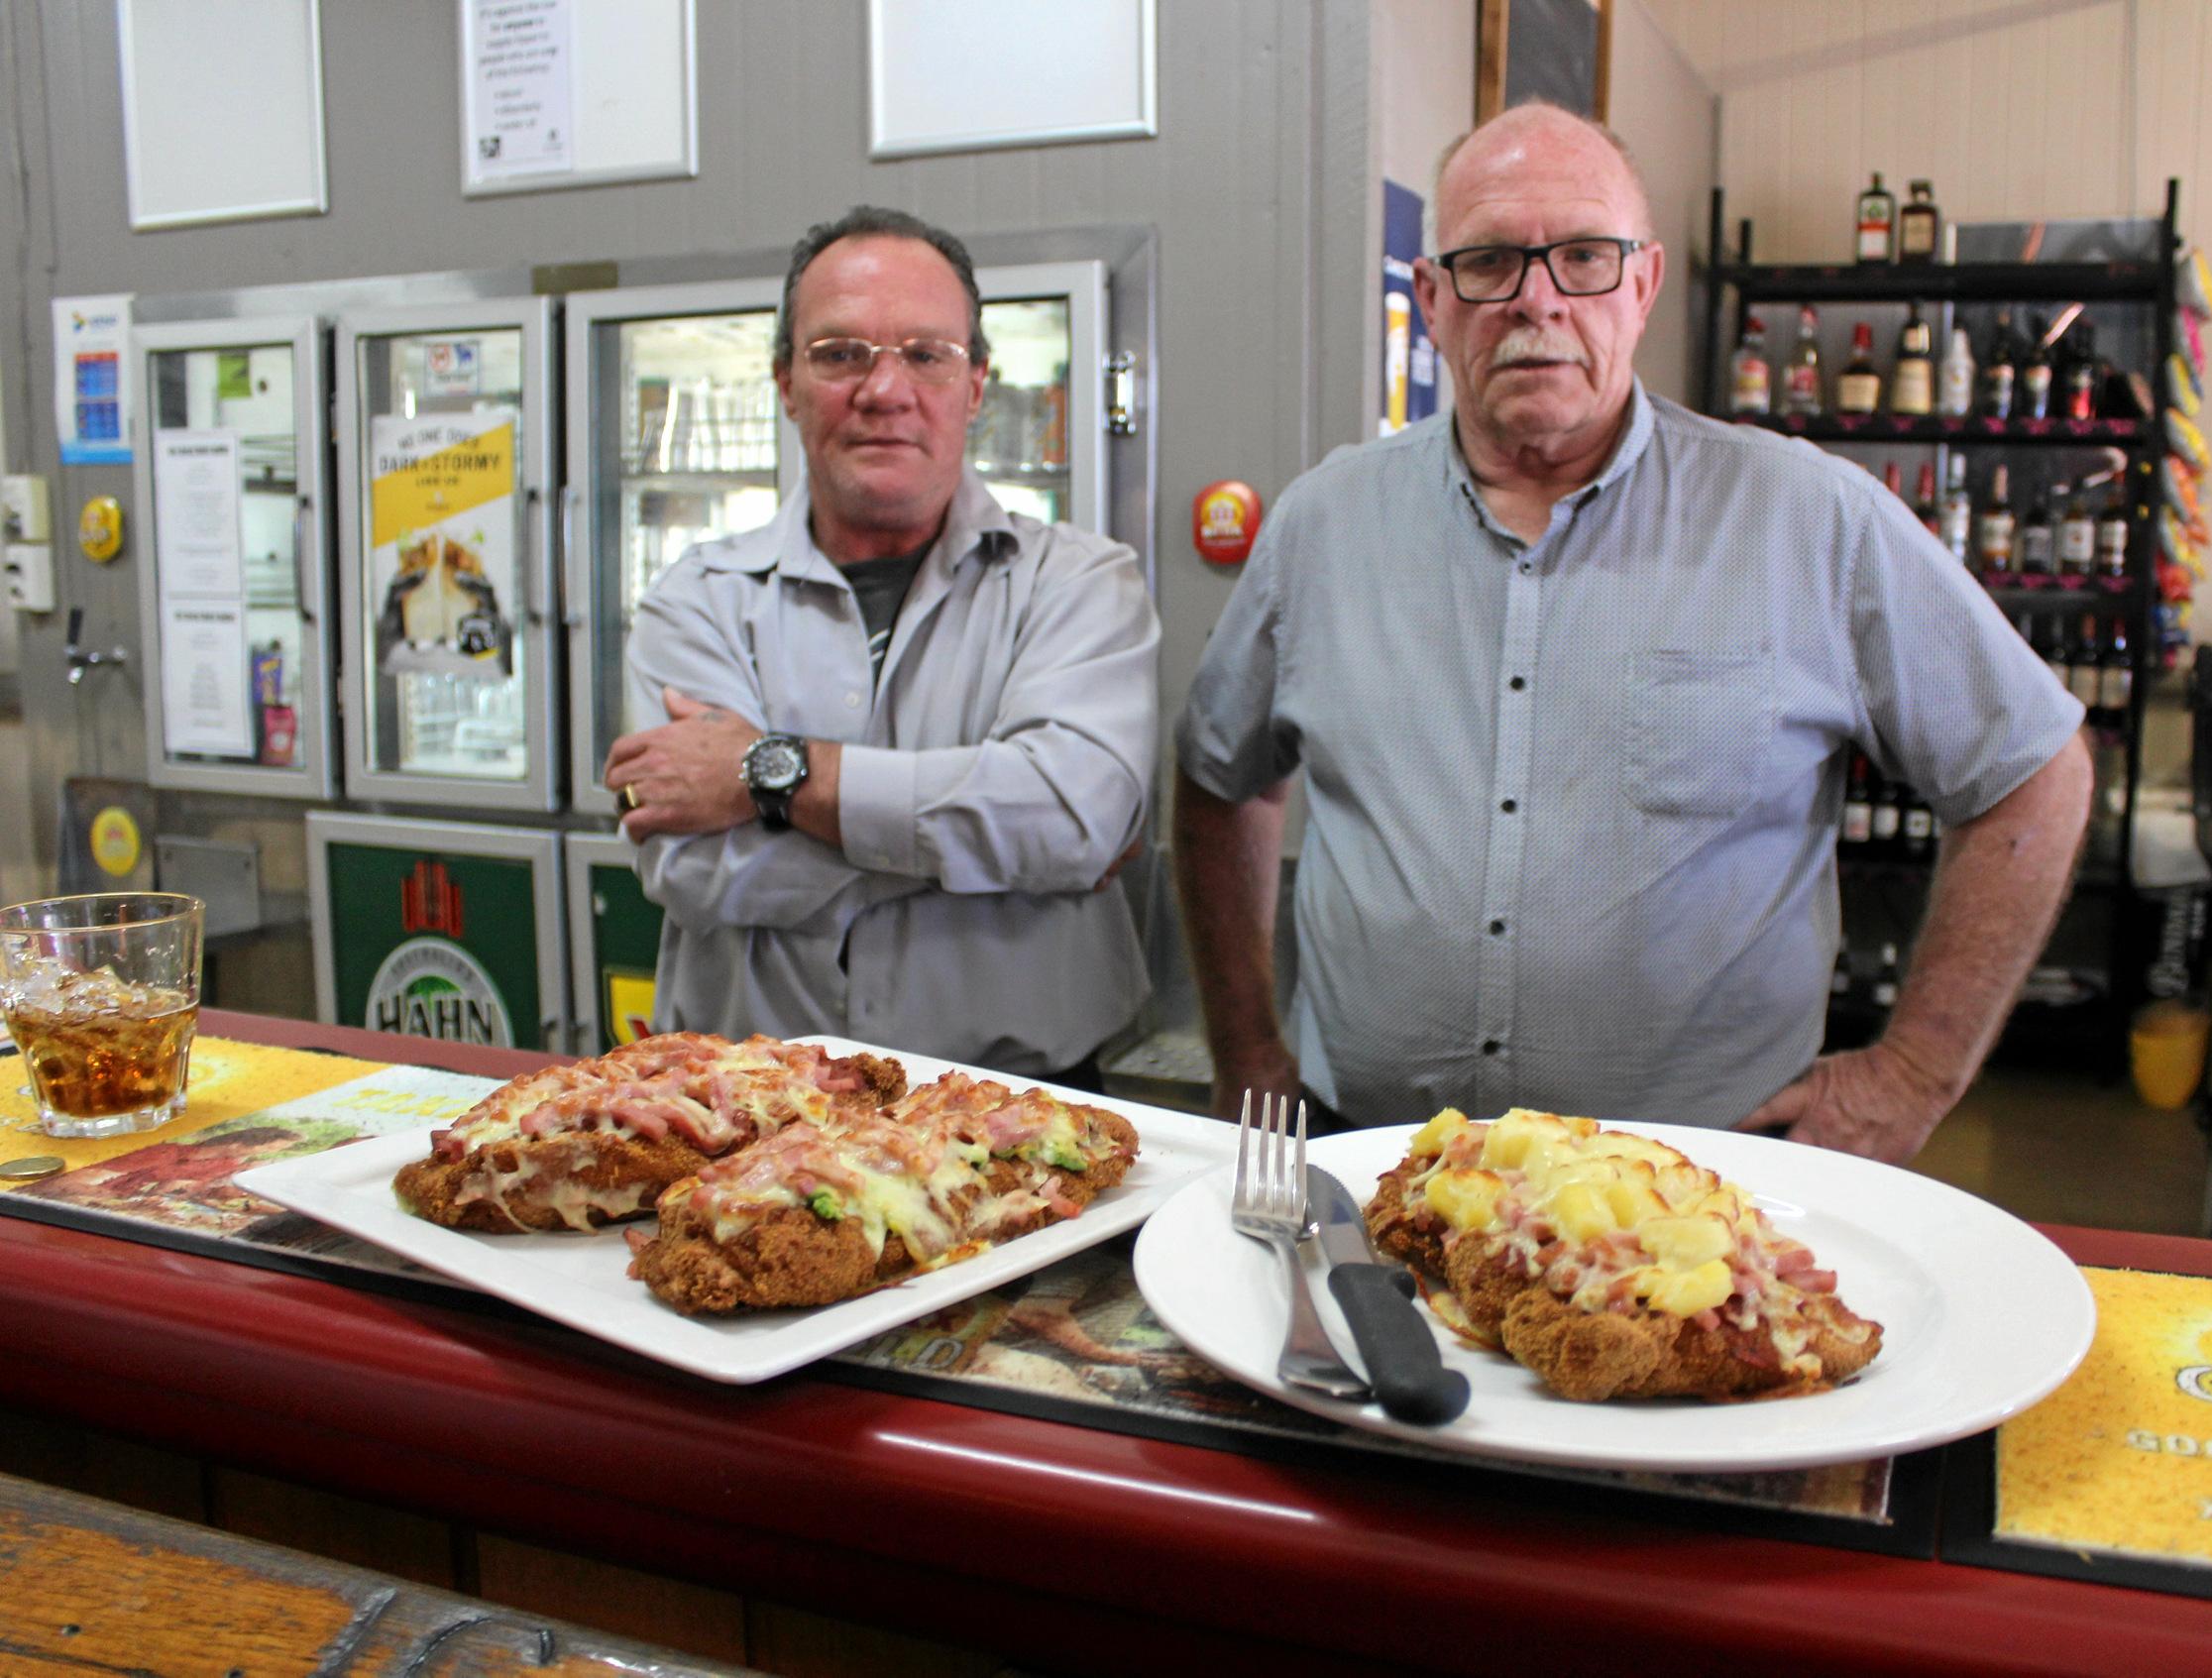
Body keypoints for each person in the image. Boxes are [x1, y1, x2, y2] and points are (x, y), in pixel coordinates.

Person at [1171, 105, 2091, 1164]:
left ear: (1644, 284)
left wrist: (1916, 1074)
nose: (1537, 299)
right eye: (1488, 262)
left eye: (1583, 258)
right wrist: (1243, 1051)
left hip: (1693, 1208)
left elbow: (2034, 770)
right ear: (1430, 298)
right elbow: (1217, 773)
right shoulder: (1322, 524)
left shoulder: (1811, 520)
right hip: (1369, 1164)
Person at [604, 206, 1159, 1086]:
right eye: (840, 354)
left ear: (976, 383)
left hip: (1027, 1118)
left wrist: (764, 776)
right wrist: (996, 854)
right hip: (755, 1118)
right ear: (785, 380)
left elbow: (1072, 820)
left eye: (926, 354)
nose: (883, 390)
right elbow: (695, 865)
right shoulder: (695, 599)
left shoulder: (1080, 583)